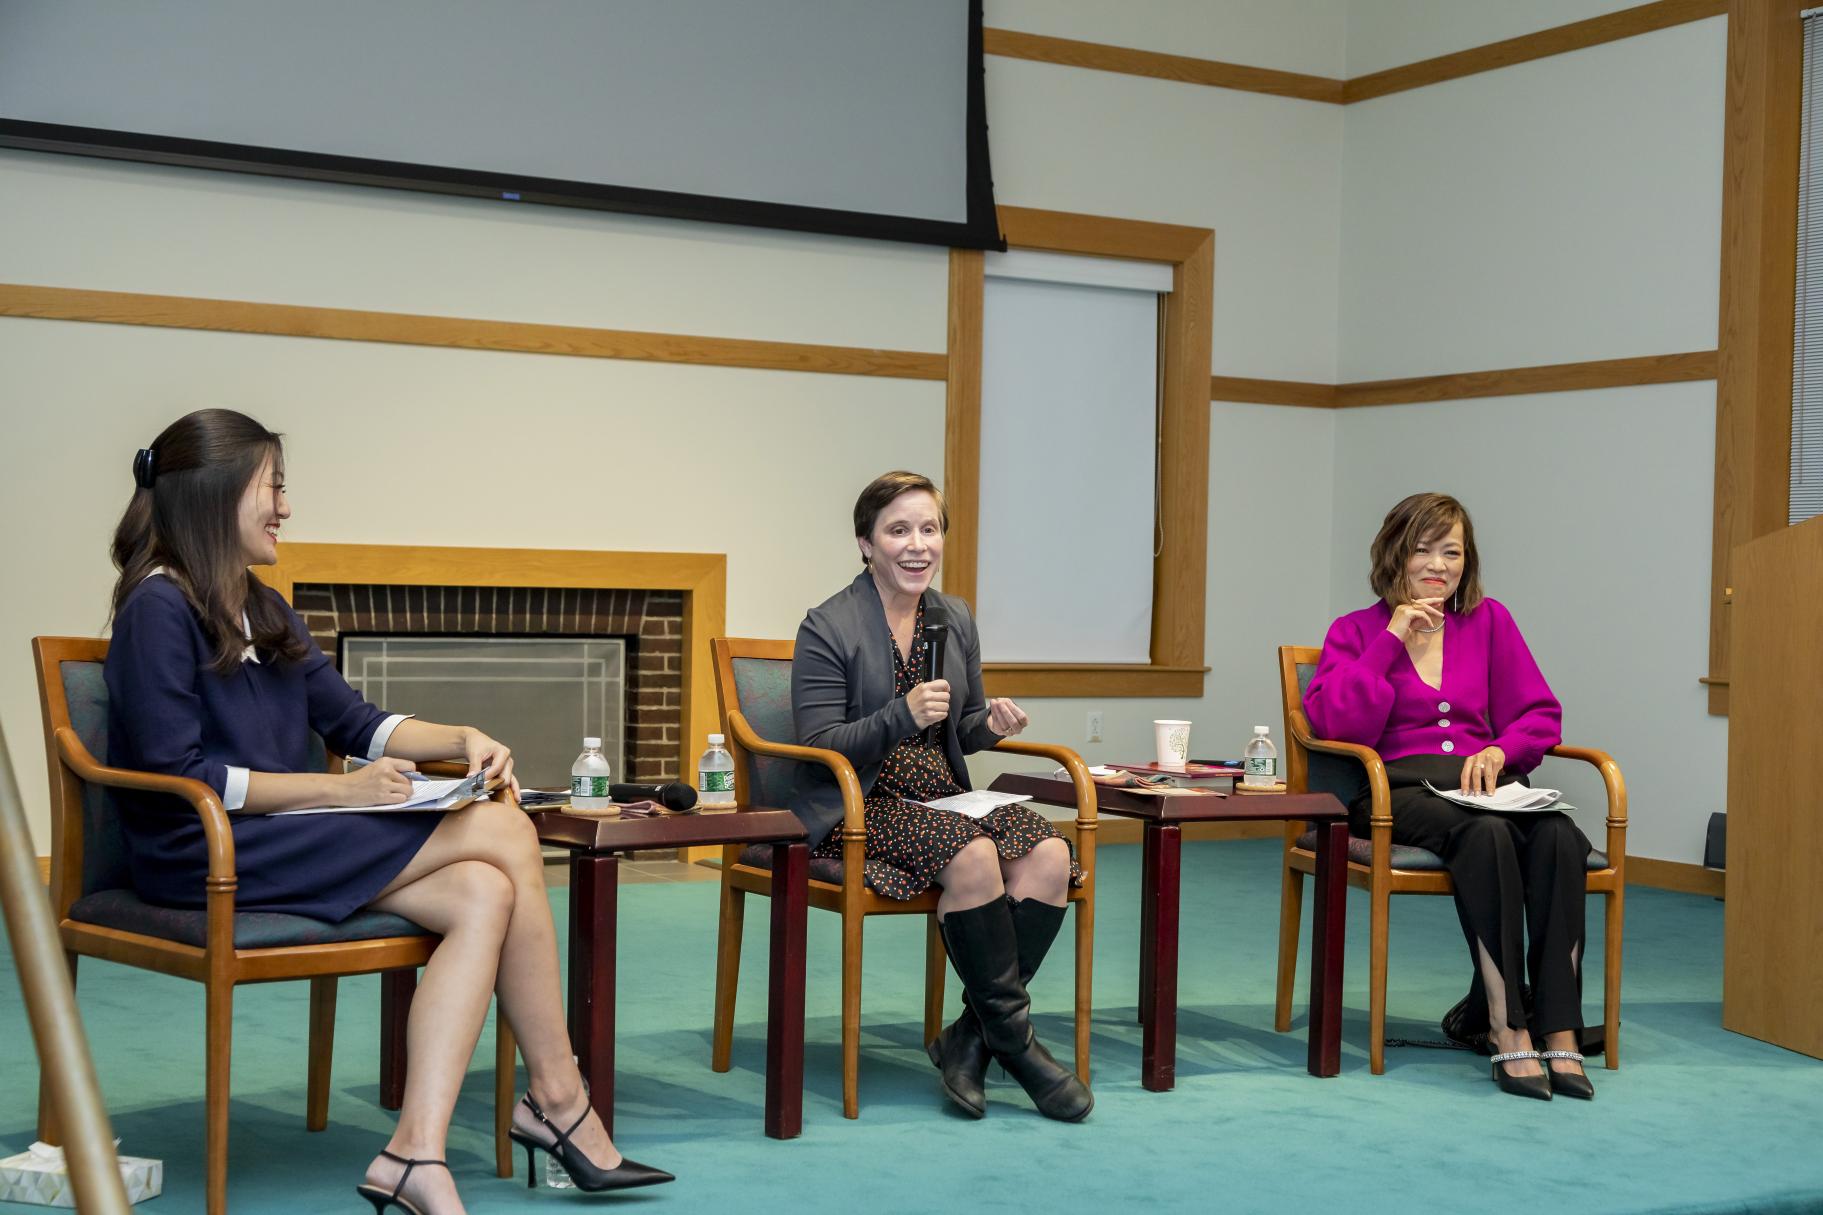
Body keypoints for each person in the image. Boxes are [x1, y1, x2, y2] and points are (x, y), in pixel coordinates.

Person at [103, 409, 672, 1214]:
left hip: (277, 837)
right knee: (507, 827)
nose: (285, 508)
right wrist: (337, 790)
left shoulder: (259, 603)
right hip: (202, 850)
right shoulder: (156, 608)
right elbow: (175, 771)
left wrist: (462, 735)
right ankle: (558, 1098)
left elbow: (355, 721)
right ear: (216, 492)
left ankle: (415, 1152)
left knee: (485, 892)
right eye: (273, 487)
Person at [790, 471, 1091, 1121]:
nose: (916, 544)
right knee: (975, 855)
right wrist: (900, 712)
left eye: (928, 529)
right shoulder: (828, 624)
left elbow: (965, 725)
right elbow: (819, 742)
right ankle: (1016, 1044)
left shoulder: (953, 616)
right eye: (898, 530)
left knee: (1048, 853)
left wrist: (993, 724)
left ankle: (971, 1035)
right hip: (860, 801)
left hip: (942, 794)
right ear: (865, 542)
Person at [1303, 492, 1595, 1101]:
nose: (1438, 565)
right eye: (1423, 549)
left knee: (1561, 836)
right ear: (1394, 554)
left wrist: (1500, 751)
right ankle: (1507, 1027)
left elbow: (1539, 714)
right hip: (1396, 791)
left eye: (1452, 551)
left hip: (1487, 785)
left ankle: (1559, 1023)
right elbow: (1337, 725)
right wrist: (1391, 640)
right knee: (1484, 836)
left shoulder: (1489, 621)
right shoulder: (1355, 632)